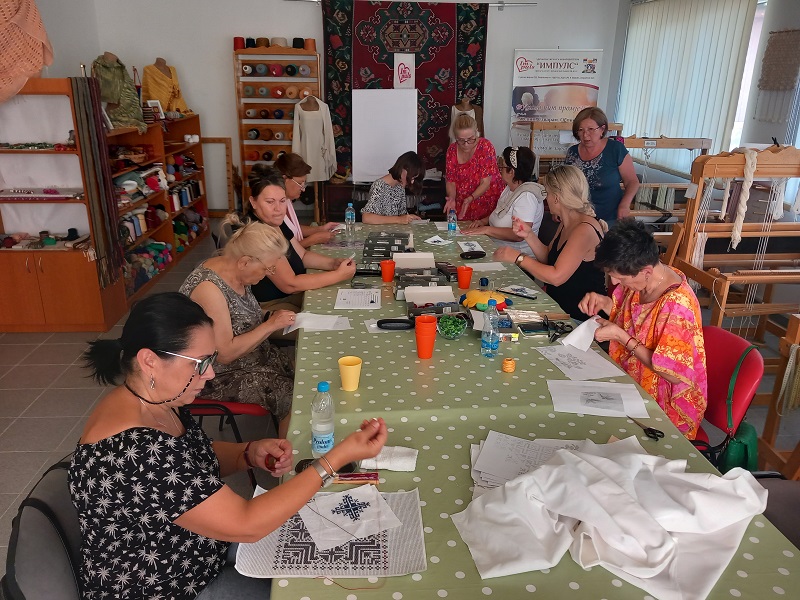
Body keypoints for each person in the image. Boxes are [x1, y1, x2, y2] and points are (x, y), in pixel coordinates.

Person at [71, 292, 388, 599]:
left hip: (201, 553)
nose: (209, 374)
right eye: (199, 362)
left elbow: (191, 463)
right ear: (150, 361)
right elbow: (246, 524)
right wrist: (334, 461)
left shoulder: (155, 400)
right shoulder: (134, 450)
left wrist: (248, 453)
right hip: (171, 587)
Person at [578, 219, 707, 439]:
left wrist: (621, 337)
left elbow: (672, 374)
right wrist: (603, 302)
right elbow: (632, 317)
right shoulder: (643, 280)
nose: (616, 284)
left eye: (620, 278)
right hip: (632, 382)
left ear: (646, 271)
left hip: (664, 405)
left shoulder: (676, 305)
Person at [179, 222, 296, 438]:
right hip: (213, 375)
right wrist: (270, 325)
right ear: (245, 262)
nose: (269, 273)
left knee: (304, 374)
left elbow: (243, 314)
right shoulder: (209, 289)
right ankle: (290, 464)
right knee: (290, 395)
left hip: (251, 357)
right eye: (267, 268)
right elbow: (224, 354)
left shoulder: (237, 271)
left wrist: (269, 317)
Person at [230, 164, 355, 313]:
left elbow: (302, 254)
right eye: (270, 202)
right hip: (269, 306)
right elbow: (291, 284)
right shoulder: (258, 233)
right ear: (253, 202)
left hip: (287, 297)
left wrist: (333, 263)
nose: (278, 208)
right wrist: (338, 275)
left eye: (282, 201)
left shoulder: (275, 222)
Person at [492, 164, 606, 321]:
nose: (546, 198)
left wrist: (518, 258)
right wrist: (529, 235)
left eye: (547, 193)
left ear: (557, 197)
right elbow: (548, 258)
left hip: (579, 319)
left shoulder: (584, 230)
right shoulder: (566, 221)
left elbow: (556, 277)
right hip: (558, 308)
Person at [462, 146, 545, 256]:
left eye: (502, 165)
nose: (499, 168)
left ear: (511, 171)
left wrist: (487, 230)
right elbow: (499, 212)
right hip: (498, 247)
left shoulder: (526, 197)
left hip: (517, 256)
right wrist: (482, 222)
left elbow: (519, 235)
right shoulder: (509, 188)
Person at [564, 107, 639, 224]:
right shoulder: (572, 153)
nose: (585, 135)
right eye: (581, 130)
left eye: (591, 129)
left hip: (610, 217)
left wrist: (625, 204)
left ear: (602, 129)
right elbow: (566, 185)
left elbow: (632, 181)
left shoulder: (615, 149)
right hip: (579, 218)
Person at [443, 113, 504, 221]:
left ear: (476, 131)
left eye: (471, 139)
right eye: (461, 140)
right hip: (463, 202)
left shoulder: (485, 146)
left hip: (486, 199)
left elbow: (485, 182)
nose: (466, 144)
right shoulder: (452, 150)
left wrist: (470, 198)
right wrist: (452, 198)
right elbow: (451, 181)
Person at [274, 152, 340, 249]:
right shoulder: (274, 210)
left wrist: (321, 229)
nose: (303, 189)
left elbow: (294, 229)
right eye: (300, 183)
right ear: (285, 179)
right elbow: (281, 253)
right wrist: (312, 240)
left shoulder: (287, 201)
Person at [361, 151, 426, 224]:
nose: (412, 182)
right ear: (403, 169)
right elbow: (366, 218)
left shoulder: (399, 186)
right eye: (412, 177)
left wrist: (409, 217)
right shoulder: (379, 186)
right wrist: (399, 219)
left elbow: (401, 214)